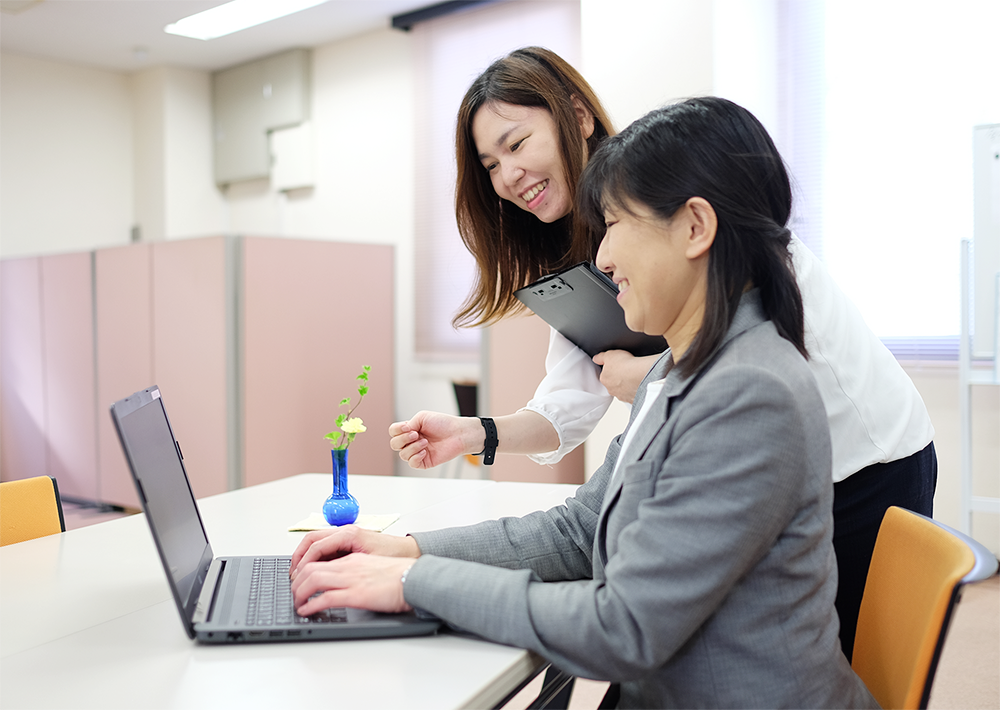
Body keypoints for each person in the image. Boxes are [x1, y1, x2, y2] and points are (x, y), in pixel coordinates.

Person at [292, 98, 879, 709]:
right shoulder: (678, 370)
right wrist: (409, 550)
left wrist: (412, 582)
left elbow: (623, 628)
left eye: (617, 224)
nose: (601, 258)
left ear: (696, 227)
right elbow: (579, 530)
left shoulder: (748, 391)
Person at [389, 46, 937, 660]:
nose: (507, 176)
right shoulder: (583, 261)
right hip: (743, 458)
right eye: (490, 164)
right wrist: (476, 433)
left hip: (862, 456)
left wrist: (651, 376)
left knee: (826, 654)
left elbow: (769, 351)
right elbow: (567, 410)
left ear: (577, 116)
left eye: (516, 145)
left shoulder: (691, 197)